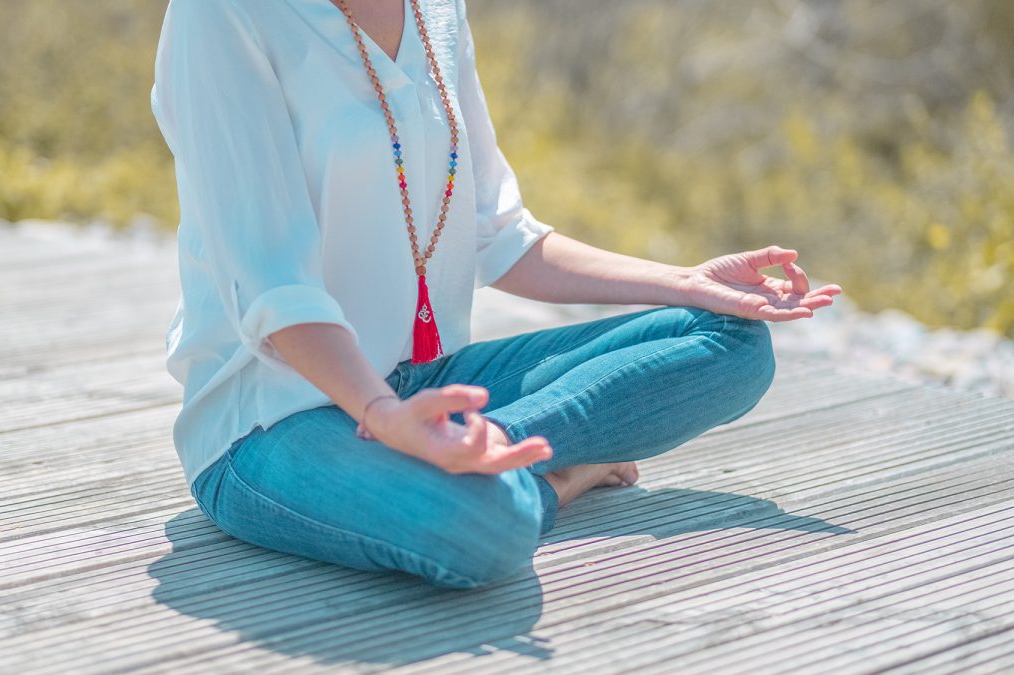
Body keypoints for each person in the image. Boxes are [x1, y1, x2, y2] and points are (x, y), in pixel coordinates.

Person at [149, 0, 841, 590]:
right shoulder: (221, 15)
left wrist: (686, 281)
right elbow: (273, 287)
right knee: (488, 523)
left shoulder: (435, 9)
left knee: (733, 344)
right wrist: (386, 416)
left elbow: (498, 234)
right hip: (273, 420)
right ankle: (559, 471)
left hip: (428, 384)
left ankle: (492, 450)